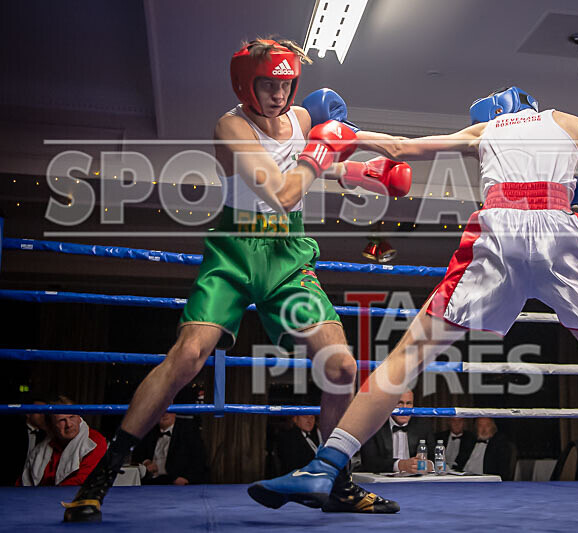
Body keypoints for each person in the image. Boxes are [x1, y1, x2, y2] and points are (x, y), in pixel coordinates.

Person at [250, 86, 578, 522]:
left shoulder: (486, 129)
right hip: (558, 228)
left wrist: (347, 133)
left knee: (408, 356)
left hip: (498, 230)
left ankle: (325, 467)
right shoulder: (570, 122)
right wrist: (569, 192)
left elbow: (401, 148)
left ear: (497, 111)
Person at [62, 38, 409, 522]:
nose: (279, 95)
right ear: (246, 84)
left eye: (287, 85)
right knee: (187, 356)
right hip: (235, 251)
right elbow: (284, 191)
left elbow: (315, 161)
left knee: (341, 367)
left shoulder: (301, 120)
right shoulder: (230, 127)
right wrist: (324, 152)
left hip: (287, 254)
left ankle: (337, 481)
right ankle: (100, 478)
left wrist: (366, 166)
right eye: (268, 84)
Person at [21, 397, 107, 487]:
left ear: (79, 418)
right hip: (40, 494)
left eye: (72, 417)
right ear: (51, 425)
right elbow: (24, 481)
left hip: (69, 495)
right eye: (62, 420)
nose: (69, 425)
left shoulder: (94, 441)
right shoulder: (42, 448)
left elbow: (82, 481)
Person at [359, 389, 434, 473]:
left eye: (408, 403)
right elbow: (369, 461)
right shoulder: (374, 425)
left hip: (416, 478)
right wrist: (400, 465)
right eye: (399, 403)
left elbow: (434, 456)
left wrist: (430, 465)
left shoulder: (422, 425)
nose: (404, 408)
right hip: (382, 479)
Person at [132, 412, 208, 485]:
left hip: (175, 483)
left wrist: (186, 478)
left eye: (169, 411)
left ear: (175, 413)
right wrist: (146, 462)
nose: (165, 414)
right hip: (150, 482)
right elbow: (136, 454)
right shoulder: (148, 432)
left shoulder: (188, 432)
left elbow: (199, 459)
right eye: (161, 411)